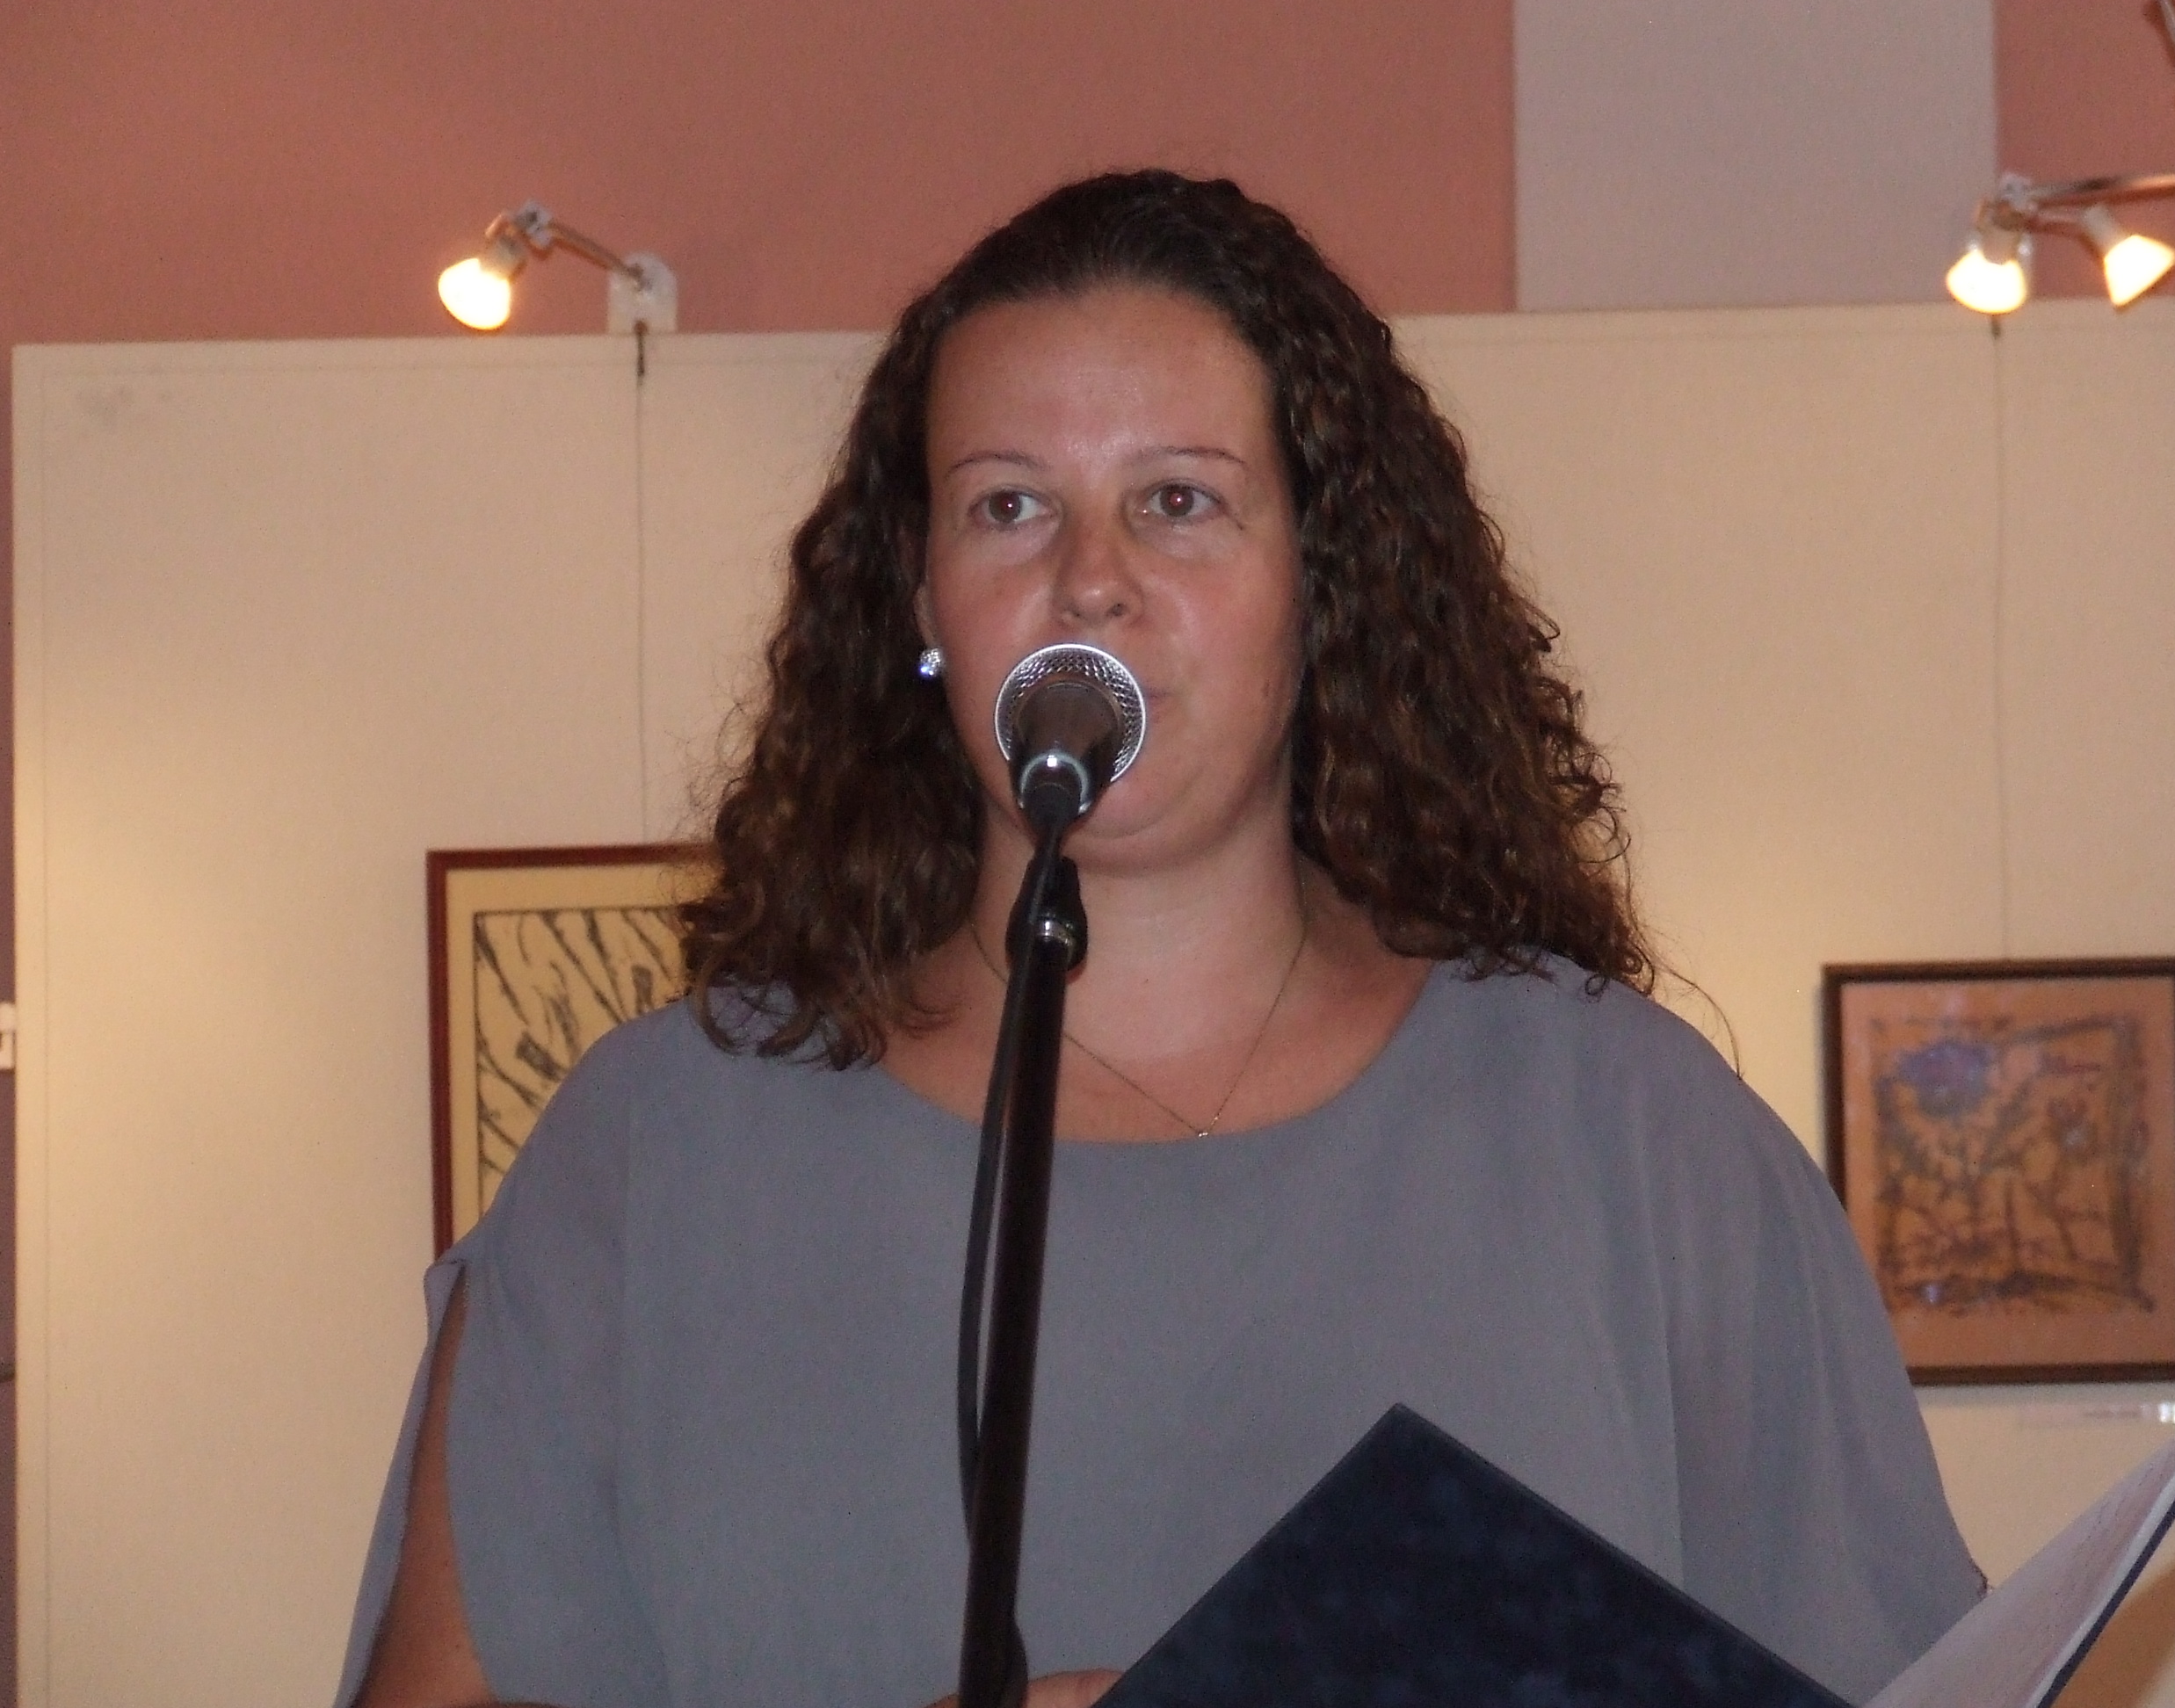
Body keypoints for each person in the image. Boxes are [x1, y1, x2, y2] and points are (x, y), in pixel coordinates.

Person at [338, 170, 1981, 1708]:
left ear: (1322, 585)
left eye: (1179, 502)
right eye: (1007, 507)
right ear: (920, 601)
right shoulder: (656, 1151)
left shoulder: (1632, 1137)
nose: (1091, 582)